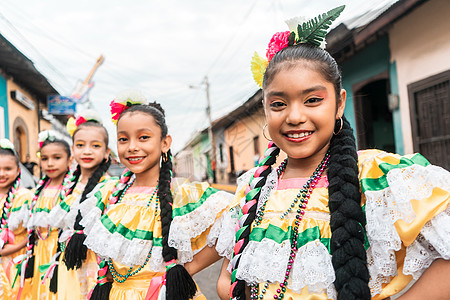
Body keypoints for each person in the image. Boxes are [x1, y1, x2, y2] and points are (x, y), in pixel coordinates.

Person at [216, 6, 450, 300]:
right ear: (265, 109)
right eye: (278, 104)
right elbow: (227, 281)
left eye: (312, 100)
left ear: (339, 103)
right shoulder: (251, 189)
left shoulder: (378, 176)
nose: (295, 116)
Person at [82, 90, 233, 300]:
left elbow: (234, 220)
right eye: (123, 139)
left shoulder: (181, 194)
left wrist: (184, 270)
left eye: (143, 137)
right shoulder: (107, 194)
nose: (132, 147)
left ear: (165, 142)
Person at [45, 111, 113, 300]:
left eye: (95, 145)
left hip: (93, 266)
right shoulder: (68, 186)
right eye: (80, 145)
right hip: (67, 263)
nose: (87, 151)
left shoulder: (108, 187)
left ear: (107, 152)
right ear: (73, 150)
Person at [25, 130, 72, 300]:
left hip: (61, 251)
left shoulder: (72, 190)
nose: (50, 163)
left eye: (57, 158)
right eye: (44, 159)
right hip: (40, 250)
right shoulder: (39, 190)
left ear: (69, 160)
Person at [0, 139, 33, 299]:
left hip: (17, 263)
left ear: (18, 170)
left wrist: (19, 245)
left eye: (7, 169)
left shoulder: (25, 197)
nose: (2, 174)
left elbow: (32, 233)